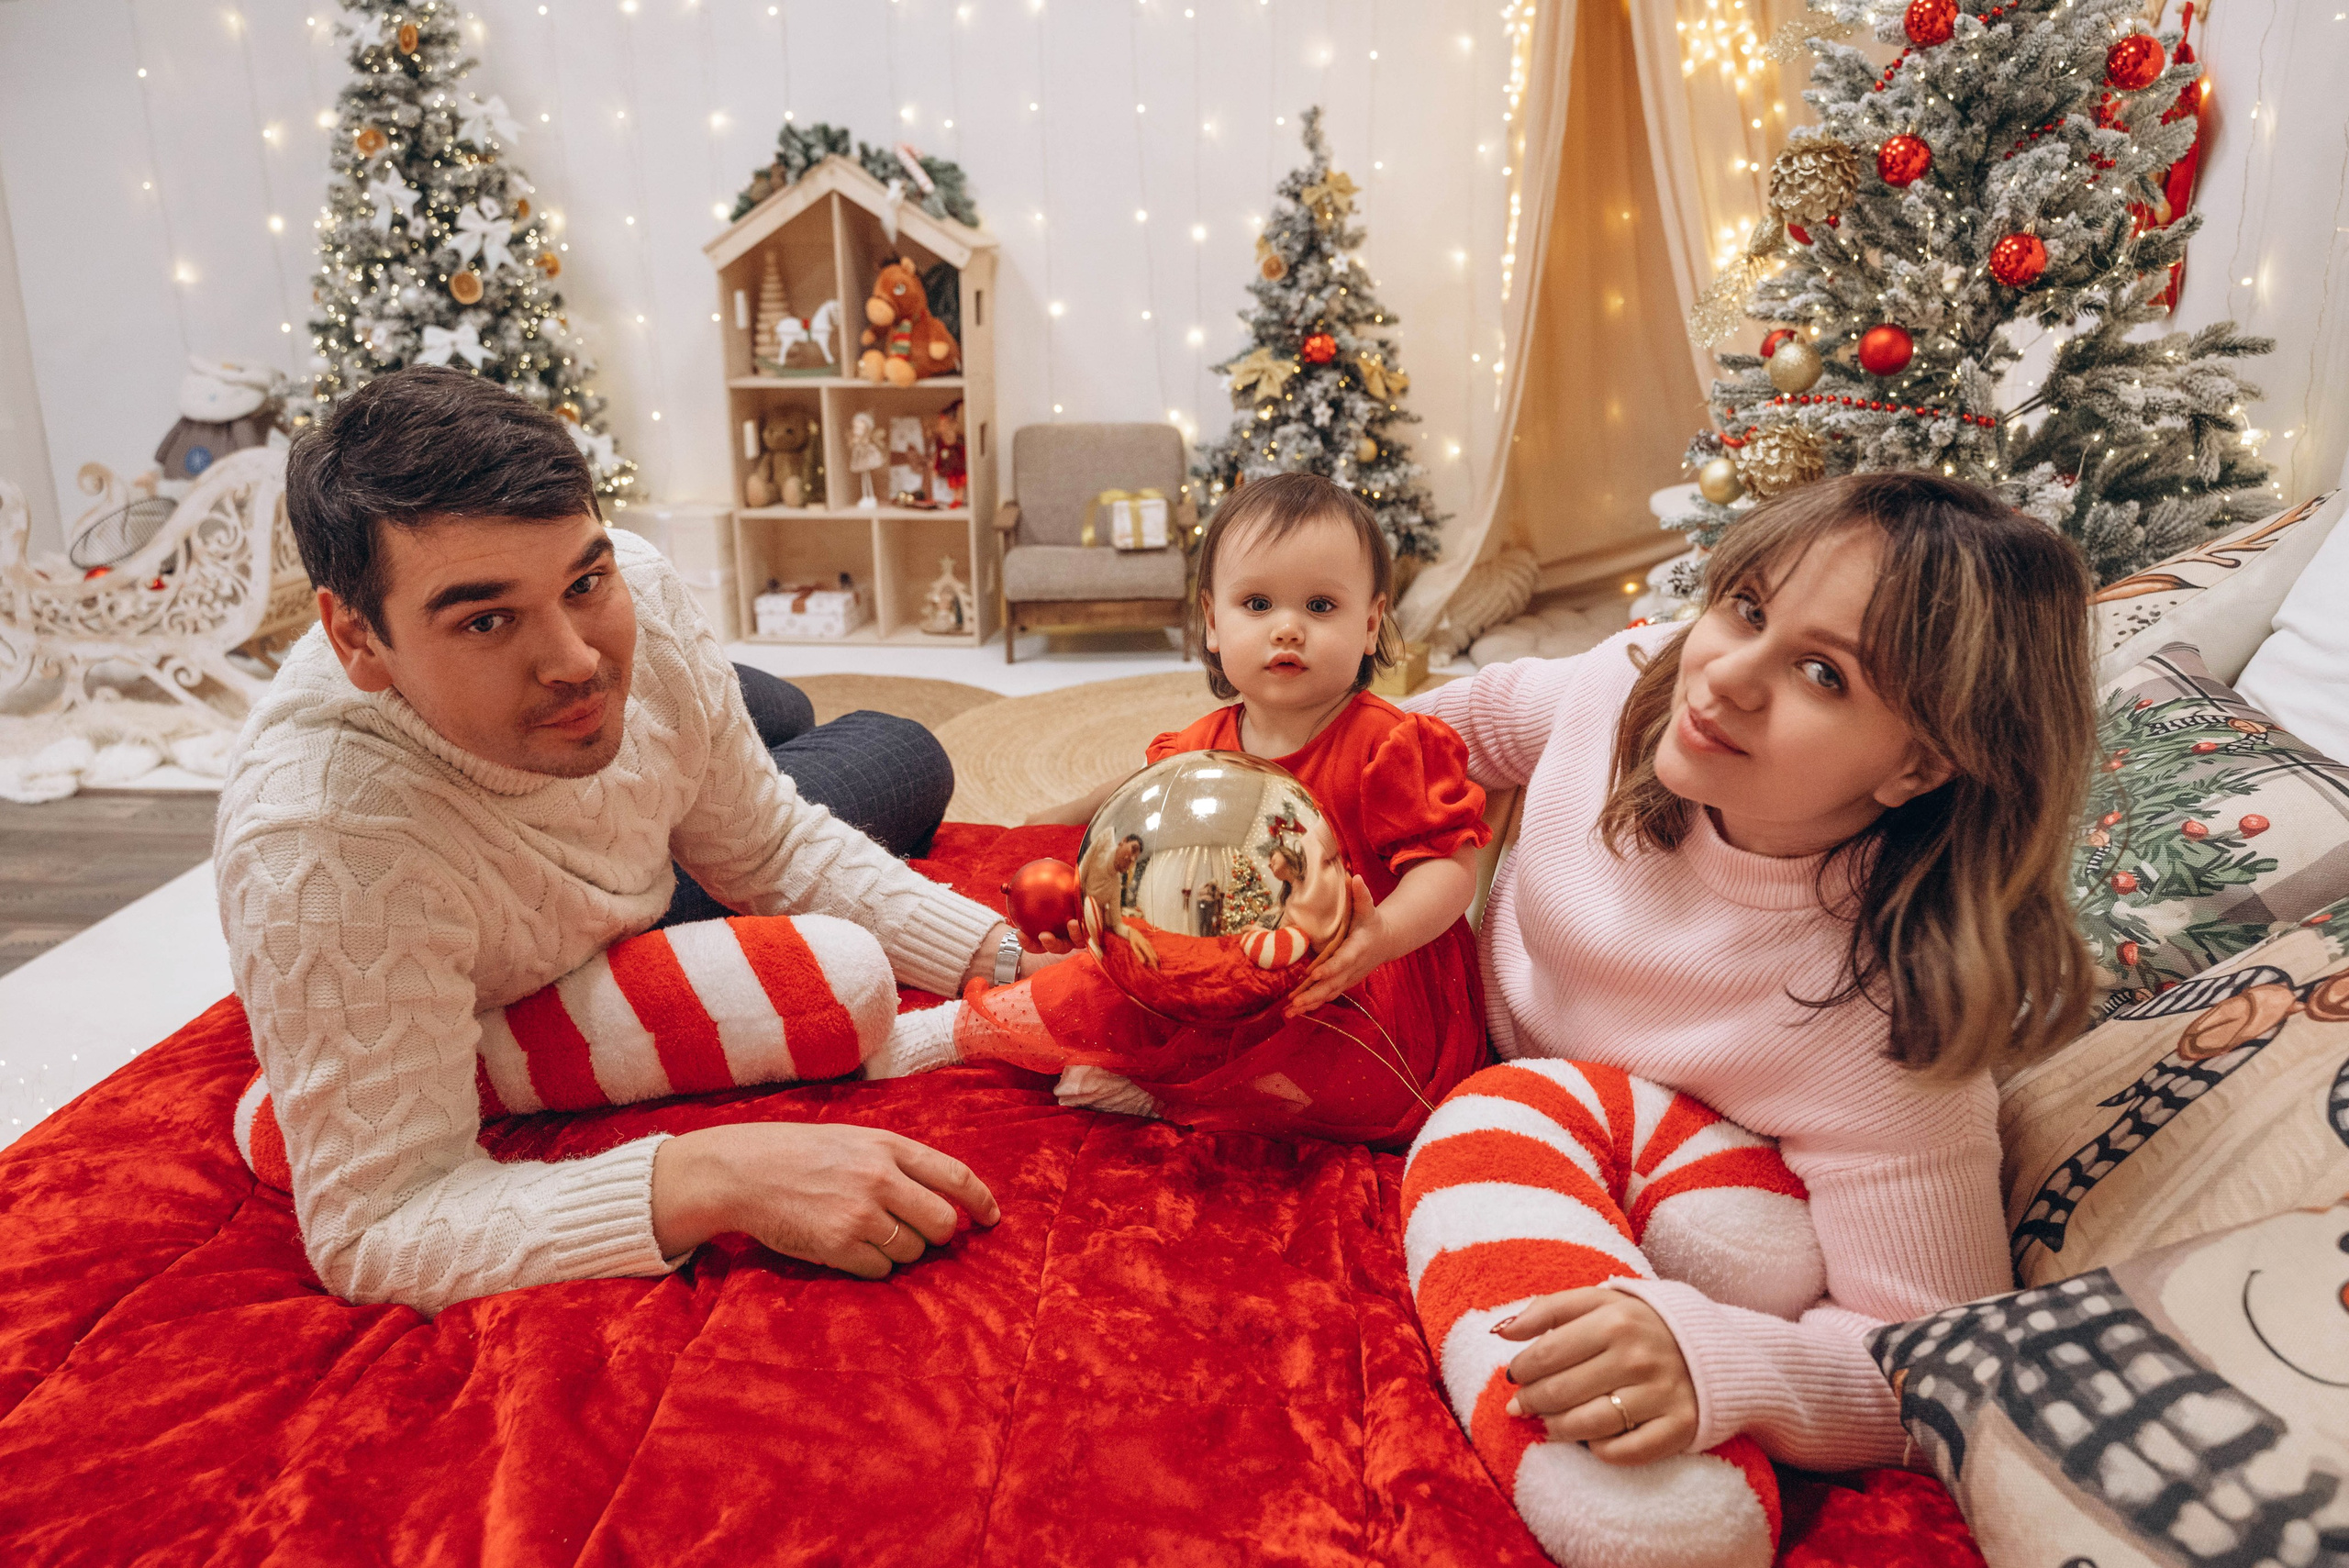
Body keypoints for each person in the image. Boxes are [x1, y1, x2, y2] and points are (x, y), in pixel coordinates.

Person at [214, 366, 1054, 1316]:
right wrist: (706, 1178)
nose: (577, 660)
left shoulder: (641, 594)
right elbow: (377, 1228)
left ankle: (730, 707)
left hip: (614, 865)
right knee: (897, 748)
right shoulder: (321, 841)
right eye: (487, 619)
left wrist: (1008, 959)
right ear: (357, 639)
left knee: (785, 710)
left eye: (585, 580)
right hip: (562, 894)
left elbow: (767, 842)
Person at [1397, 473, 2099, 1568]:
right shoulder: (1633, 681)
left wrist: (1717, 1358)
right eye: (1747, 605)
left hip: (1657, 1181)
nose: (1723, 674)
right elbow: (1438, 736)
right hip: (1454, 1057)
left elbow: (1927, 1354)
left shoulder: (1888, 1029)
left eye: (1823, 673)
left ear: (1920, 762)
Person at [871, 473, 1493, 1149]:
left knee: (1357, 1070)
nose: (1288, 628)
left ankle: (1168, 1092)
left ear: (1370, 624)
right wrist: (1095, 912)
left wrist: (1382, 937)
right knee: (1105, 978)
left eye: (1320, 605)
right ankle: (960, 1029)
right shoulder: (1200, 749)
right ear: (1213, 622)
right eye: (1257, 603)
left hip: (1354, 980)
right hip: (1222, 963)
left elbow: (1453, 868)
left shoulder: (1390, 746)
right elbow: (1140, 827)